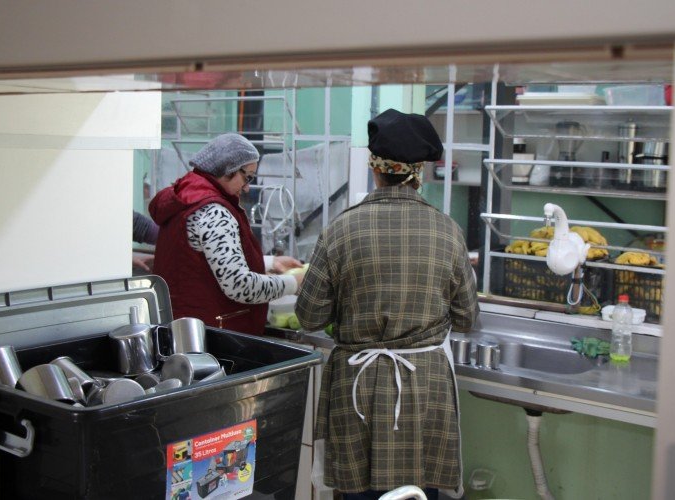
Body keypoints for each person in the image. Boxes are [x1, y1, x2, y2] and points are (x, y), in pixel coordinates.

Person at [296, 108, 479, 499]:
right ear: (420, 173)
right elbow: (467, 316)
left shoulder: (340, 229)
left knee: (358, 490)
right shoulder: (448, 231)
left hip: (356, 386)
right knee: (420, 488)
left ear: (375, 168)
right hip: (424, 384)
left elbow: (309, 316)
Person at [149, 133, 304, 333]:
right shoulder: (213, 211)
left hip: (183, 327)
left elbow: (206, 257)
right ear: (228, 169)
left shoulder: (187, 198)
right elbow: (240, 286)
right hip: (211, 334)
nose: (247, 187)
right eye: (246, 177)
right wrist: (294, 283)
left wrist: (271, 263)